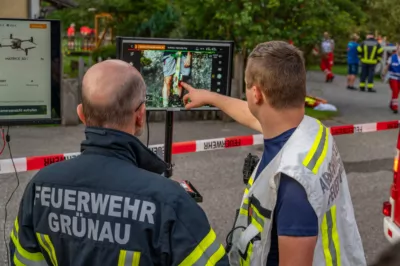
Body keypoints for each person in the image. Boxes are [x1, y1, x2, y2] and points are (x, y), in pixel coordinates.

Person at [9, 60, 228, 266]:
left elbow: (23, 259)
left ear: (81, 114)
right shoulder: (171, 203)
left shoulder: (39, 188)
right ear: (141, 115)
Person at [181, 41, 366, 266]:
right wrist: (212, 97)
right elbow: (252, 114)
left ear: (256, 94)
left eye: (248, 88)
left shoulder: (293, 184)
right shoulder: (312, 131)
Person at [381, 42, 400, 113]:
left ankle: (392, 103)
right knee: (395, 91)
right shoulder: (392, 57)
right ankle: (395, 107)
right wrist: (383, 74)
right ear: (397, 49)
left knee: (397, 92)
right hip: (393, 77)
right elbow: (387, 66)